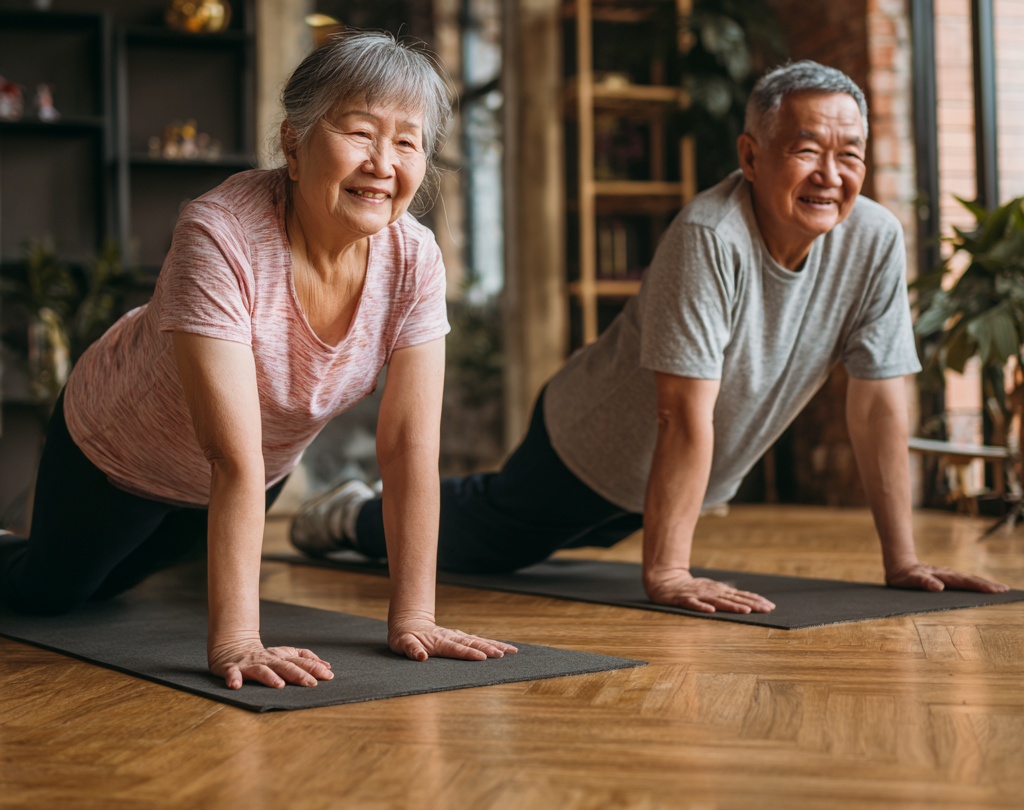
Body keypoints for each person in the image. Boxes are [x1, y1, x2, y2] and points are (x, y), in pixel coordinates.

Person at [293, 60, 1008, 613]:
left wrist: (903, 559)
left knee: (559, 538)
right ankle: (349, 515)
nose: (831, 174)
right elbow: (681, 410)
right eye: (806, 149)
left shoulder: (874, 239)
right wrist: (668, 571)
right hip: (591, 441)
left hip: (672, 478)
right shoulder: (710, 234)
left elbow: (879, 401)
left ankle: (373, 506)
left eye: (849, 154)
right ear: (752, 155)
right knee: (483, 540)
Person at [0, 30, 515, 686]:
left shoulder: (414, 259)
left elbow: (410, 448)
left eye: (407, 141)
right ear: (294, 145)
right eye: (360, 132)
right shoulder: (218, 235)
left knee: (114, 589)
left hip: (243, 479)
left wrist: (414, 616)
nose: (384, 163)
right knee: (54, 595)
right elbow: (231, 455)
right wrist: (238, 641)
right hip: (118, 452)